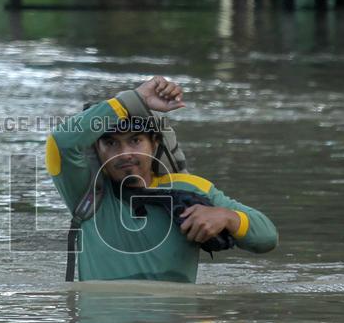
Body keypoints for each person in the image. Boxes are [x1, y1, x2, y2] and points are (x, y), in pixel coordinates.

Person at [45, 76, 278, 282]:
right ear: (96, 150)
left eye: (135, 140)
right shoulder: (87, 192)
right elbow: (61, 142)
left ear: (154, 144)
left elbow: (267, 238)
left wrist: (228, 218)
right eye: (111, 143)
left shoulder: (189, 189)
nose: (125, 153)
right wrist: (135, 100)